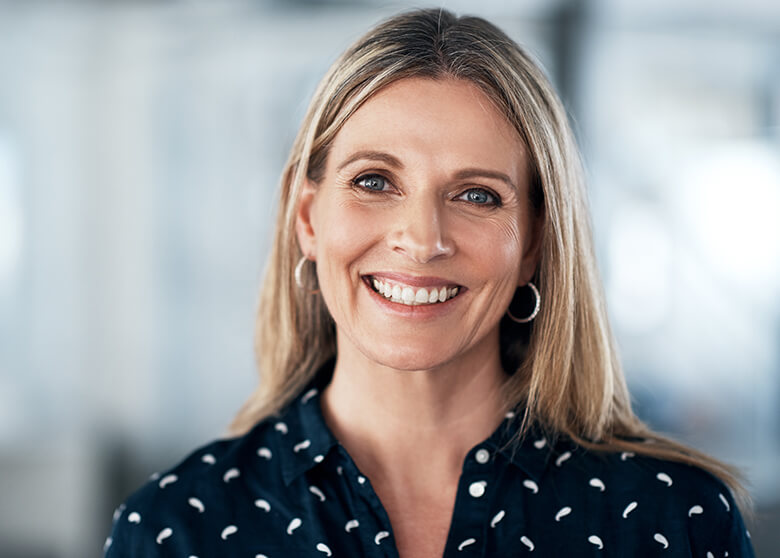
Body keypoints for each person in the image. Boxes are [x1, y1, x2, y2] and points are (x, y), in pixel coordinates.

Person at [103, 8, 755, 557]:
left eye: (476, 195)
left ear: (534, 244)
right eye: (374, 182)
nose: (422, 239)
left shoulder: (673, 521)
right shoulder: (174, 530)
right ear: (307, 218)